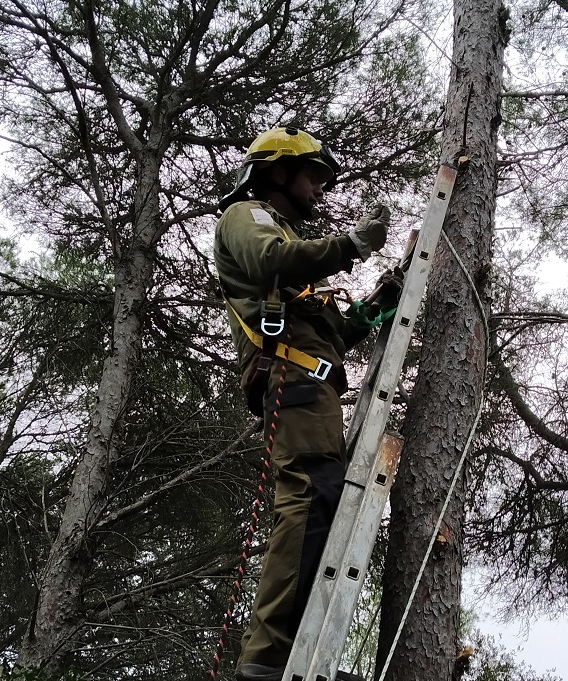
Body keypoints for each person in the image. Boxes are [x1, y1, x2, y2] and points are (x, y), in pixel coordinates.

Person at [214, 127, 391, 681]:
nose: (320, 188)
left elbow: (333, 331)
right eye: (313, 175)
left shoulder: (294, 264)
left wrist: (380, 301)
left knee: (328, 499)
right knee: (311, 493)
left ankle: (297, 651)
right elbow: (273, 260)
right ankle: (269, 658)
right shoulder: (248, 215)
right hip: (289, 377)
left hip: (312, 382)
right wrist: (351, 247)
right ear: (277, 172)